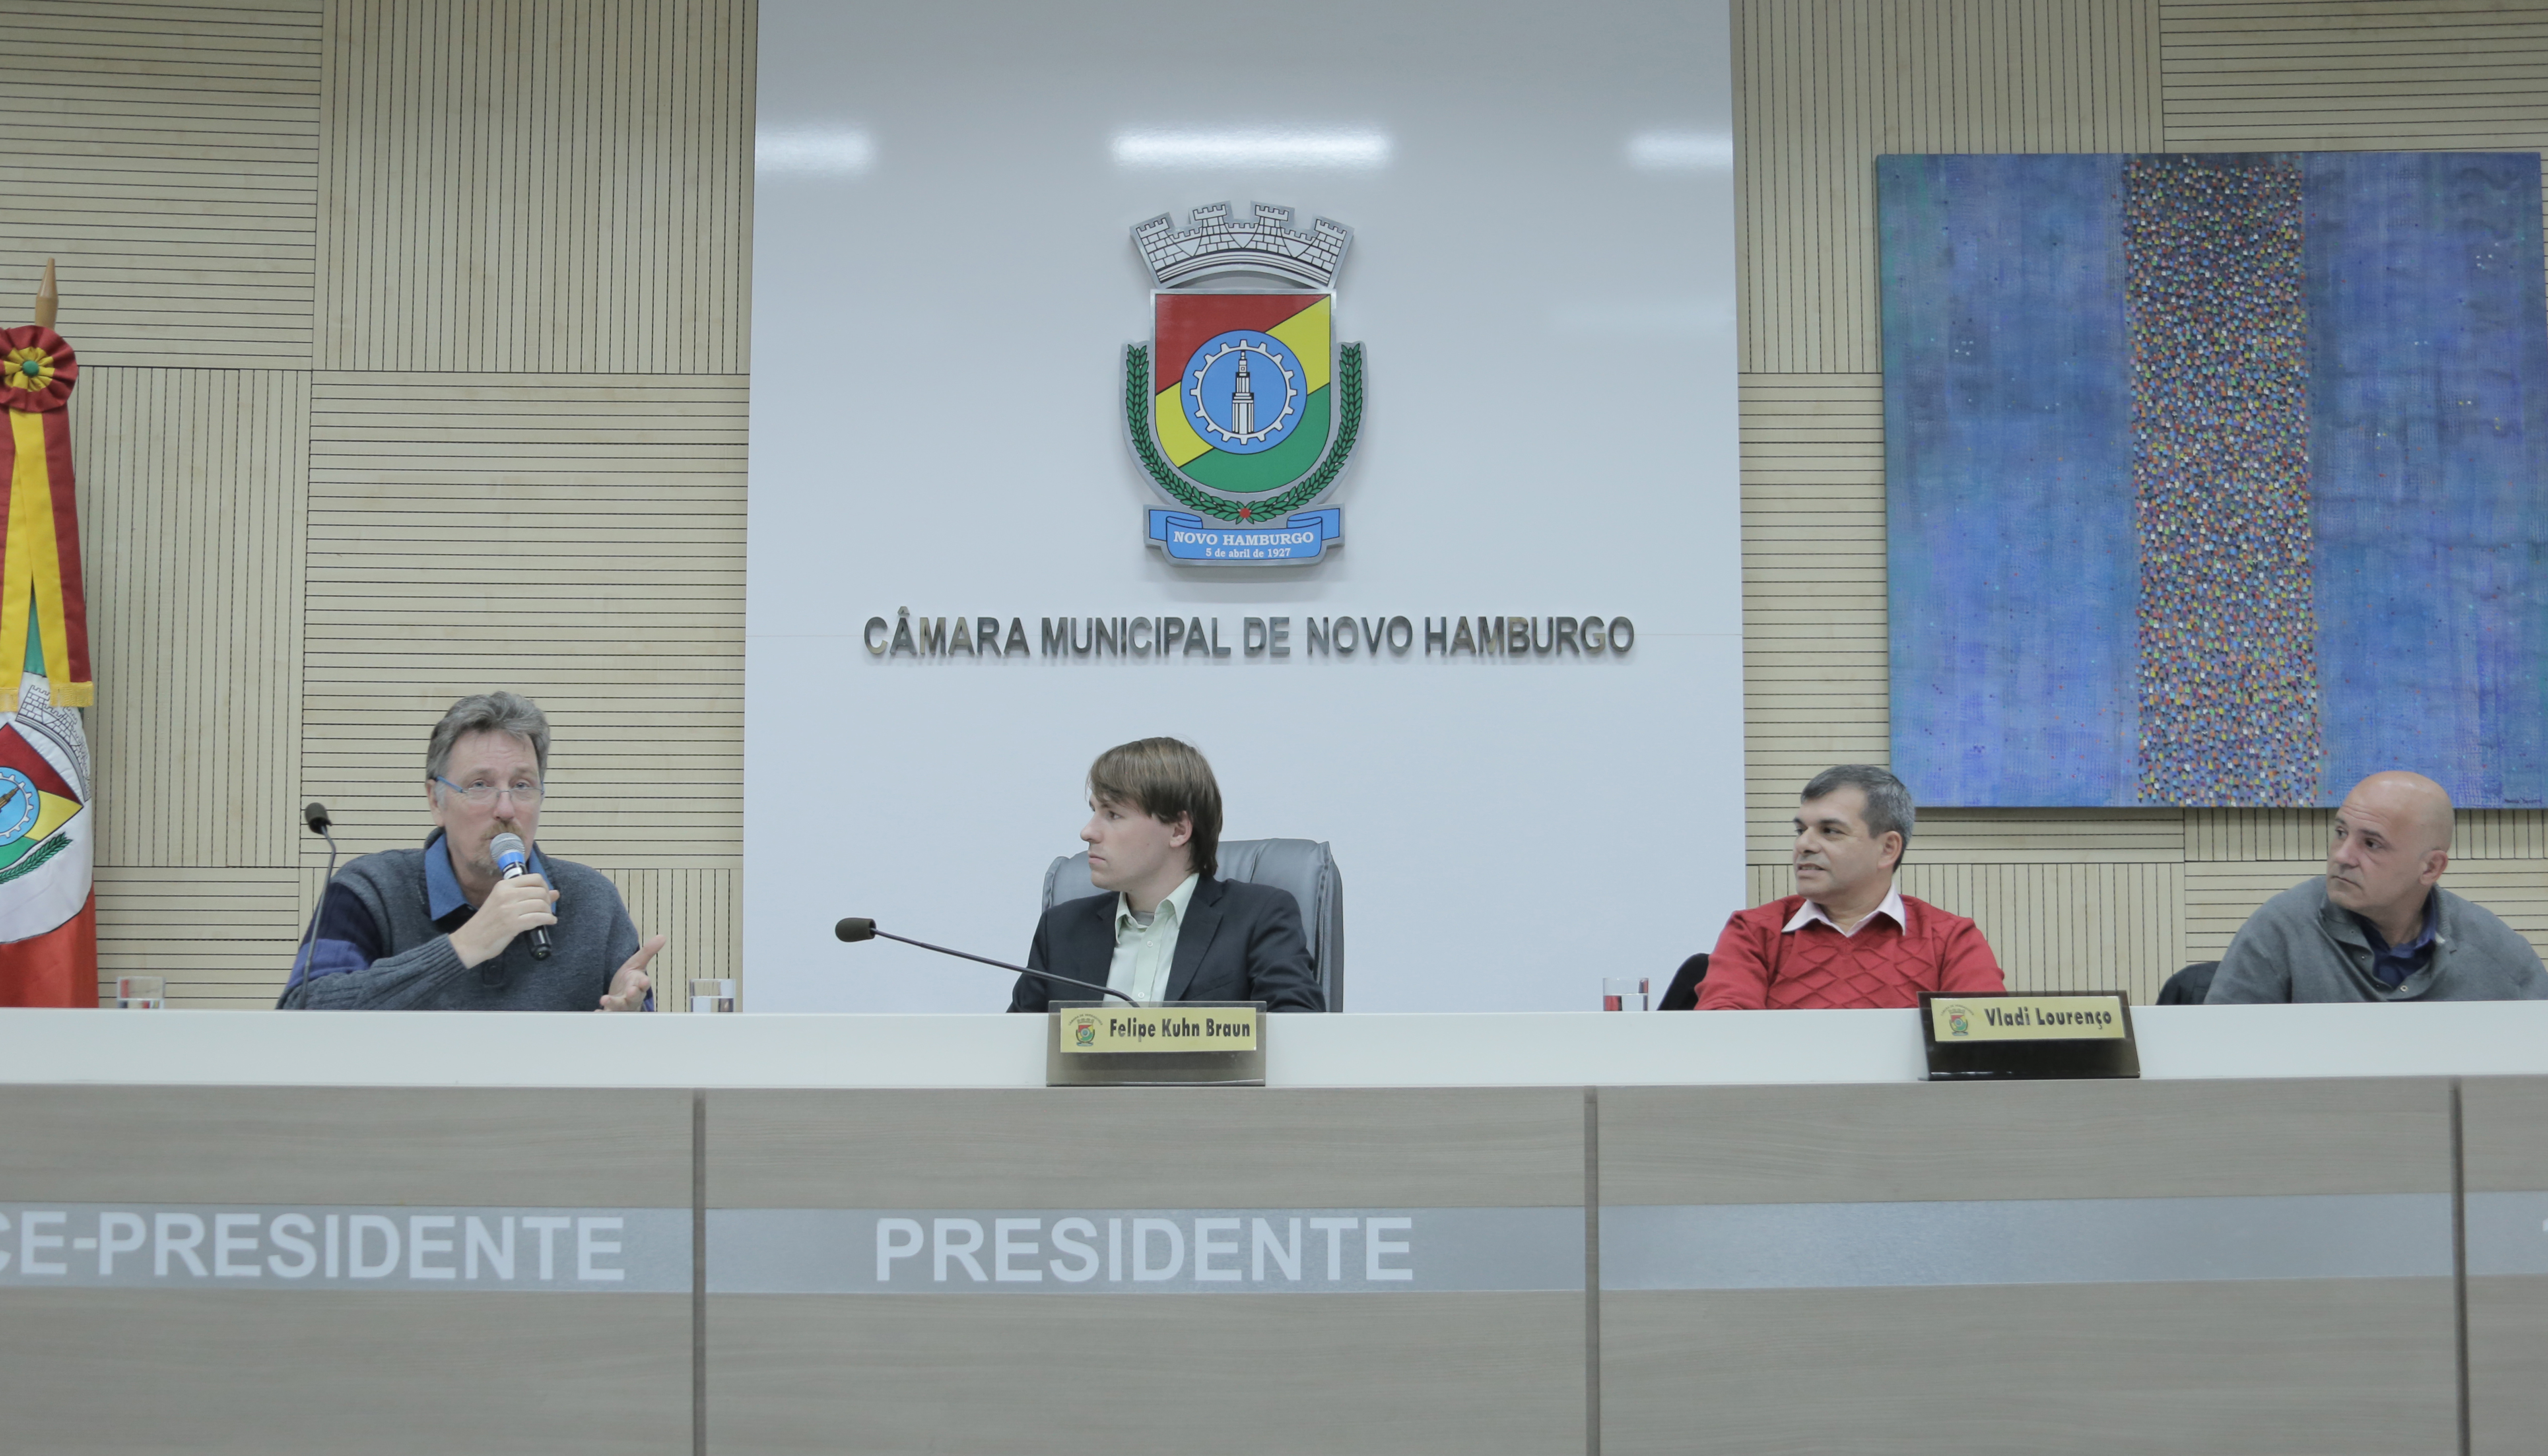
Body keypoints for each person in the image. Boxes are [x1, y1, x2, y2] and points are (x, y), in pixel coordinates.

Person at [278, 692, 665, 1011]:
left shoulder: (592, 900)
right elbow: (303, 1013)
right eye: (480, 785)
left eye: (523, 785)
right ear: (436, 800)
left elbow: (643, 1056)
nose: (506, 809)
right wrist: (465, 945)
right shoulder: (368, 890)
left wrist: (624, 1021)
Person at [1008, 737, 1323, 1012]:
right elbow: (1016, 1053)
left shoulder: (1258, 917)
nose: (1088, 832)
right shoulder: (1062, 930)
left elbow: (1297, 1036)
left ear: (1178, 830)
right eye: (1093, 811)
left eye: (1113, 814)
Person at [2207, 771, 2547, 1003]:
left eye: (2372, 844)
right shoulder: (2279, 930)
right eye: (2341, 833)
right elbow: (2214, 1067)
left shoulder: (2496, 951)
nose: (2343, 855)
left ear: (2431, 867)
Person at [1698, 764, 2005, 1009]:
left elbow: (1984, 1049)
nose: (1803, 844)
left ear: (1888, 848)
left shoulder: (1950, 939)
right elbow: (1725, 1043)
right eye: (1801, 830)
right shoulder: (1754, 931)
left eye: (1830, 831)